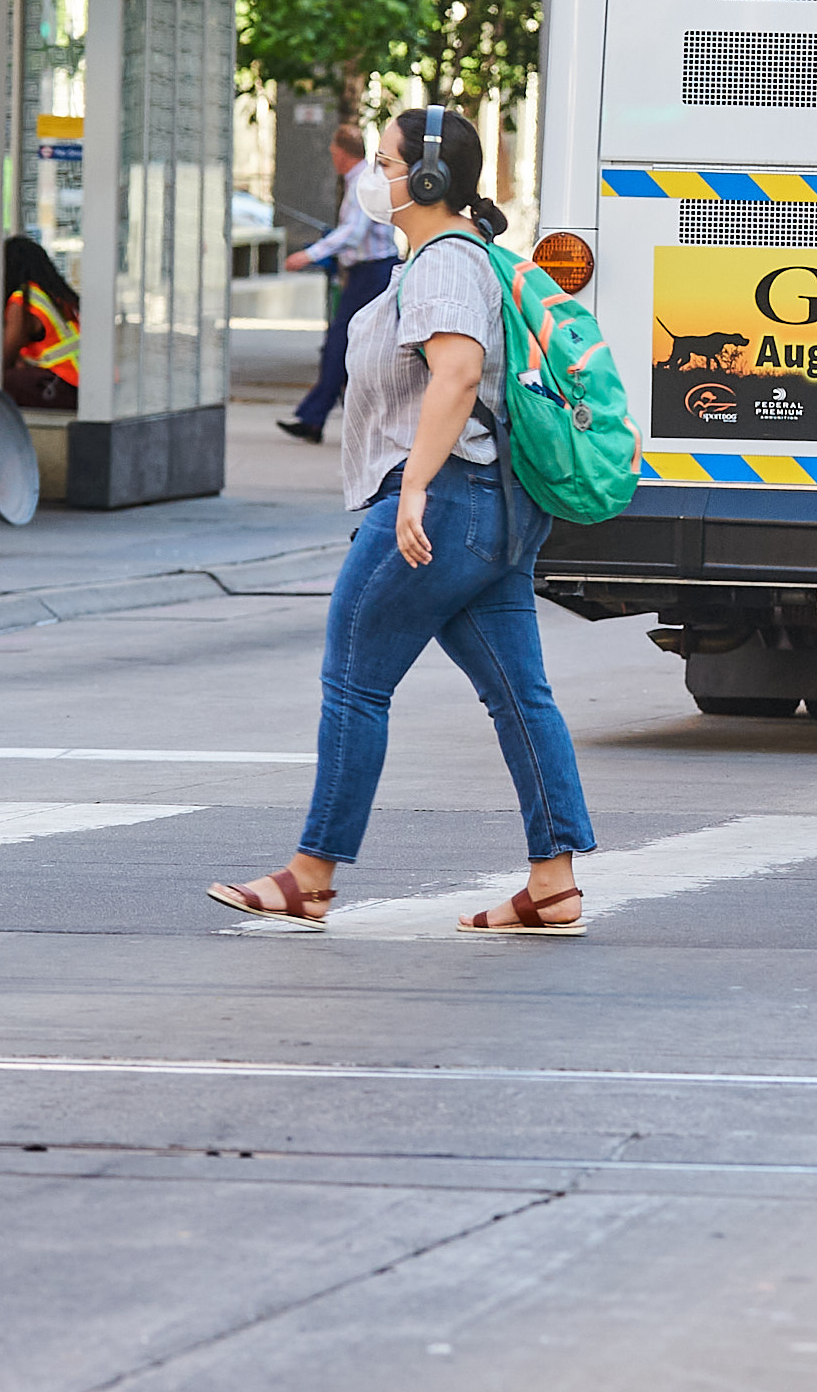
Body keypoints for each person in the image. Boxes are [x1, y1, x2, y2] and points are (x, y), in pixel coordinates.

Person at [212, 108, 597, 937]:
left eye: (385, 163)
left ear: (427, 180)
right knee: (519, 695)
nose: (375, 176)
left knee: (354, 677)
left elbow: (455, 376)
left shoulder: (445, 267)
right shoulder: (440, 260)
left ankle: (310, 875)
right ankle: (554, 880)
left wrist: (415, 487)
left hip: (446, 499)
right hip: (489, 507)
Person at [278, 120, 400, 443]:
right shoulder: (358, 180)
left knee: (342, 344)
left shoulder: (363, 183)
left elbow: (354, 232)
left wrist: (311, 254)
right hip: (366, 271)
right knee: (344, 345)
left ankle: (318, 417)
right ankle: (318, 418)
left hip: (373, 272)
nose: (332, 159)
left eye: (334, 152)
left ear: (344, 154)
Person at [1, 236, 80, 411]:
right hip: (82, 385)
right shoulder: (57, 297)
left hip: (64, 385)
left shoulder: (23, 302)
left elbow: (3, 359)